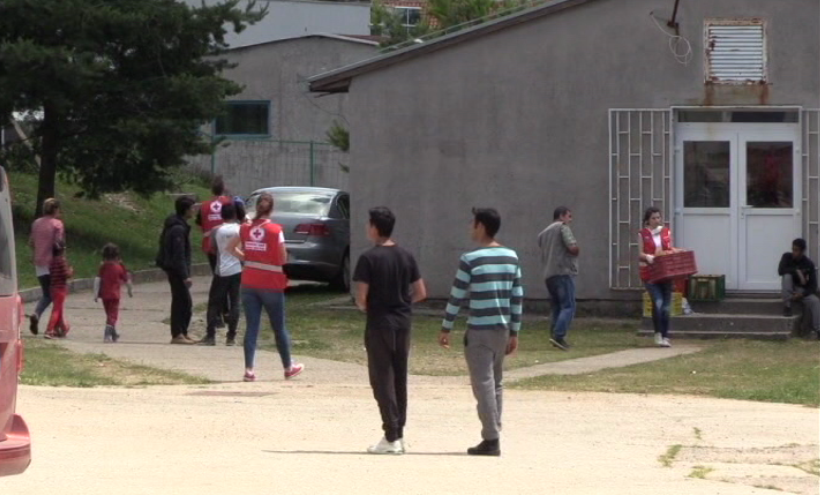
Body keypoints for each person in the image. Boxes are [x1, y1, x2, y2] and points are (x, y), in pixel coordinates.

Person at [439, 208, 523, 457]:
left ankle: (491, 437)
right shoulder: (511, 257)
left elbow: (457, 295)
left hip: (479, 329)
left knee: (483, 383)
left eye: (472, 223)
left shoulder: (470, 259)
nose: (470, 228)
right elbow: (517, 296)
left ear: (482, 226)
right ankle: (494, 430)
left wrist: (446, 326)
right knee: (496, 382)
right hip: (502, 329)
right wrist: (515, 331)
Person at [353, 207, 427, 455]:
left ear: (375, 227)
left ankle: (391, 434)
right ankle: (399, 433)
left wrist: (369, 306)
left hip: (380, 323)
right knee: (399, 377)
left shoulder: (368, 258)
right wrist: (403, 303)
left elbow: (361, 298)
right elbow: (421, 292)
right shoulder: (406, 256)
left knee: (381, 378)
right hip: (403, 322)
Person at [228, 192, 304, 382]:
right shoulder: (275, 230)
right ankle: (288, 367)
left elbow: (230, 248)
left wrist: (247, 258)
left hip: (249, 280)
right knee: (278, 327)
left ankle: (249, 370)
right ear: (271, 209)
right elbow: (282, 257)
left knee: (251, 326)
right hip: (271, 282)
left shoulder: (245, 228)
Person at [199, 202, 242, 346]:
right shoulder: (241, 229)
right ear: (235, 215)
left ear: (221, 215)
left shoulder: (216, 230)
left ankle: (210, 335)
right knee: (235, 302)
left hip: (221, 269)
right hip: (237, 269)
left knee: (214, 302)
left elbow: (212, 248)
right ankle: (231, 337)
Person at [537, 206, 579, 351]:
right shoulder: (562, 228)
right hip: (563, 271)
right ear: (561, 216)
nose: (570, 220)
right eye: (569, 216)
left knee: (556, 306)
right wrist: (576, 250)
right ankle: (559, 336)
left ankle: (553, 334)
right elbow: (572, 247)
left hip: (549, 274)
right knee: (568, 305)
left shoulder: (543, 234)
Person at [638, 207, 680, 348]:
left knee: (666, 307)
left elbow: (669, 249)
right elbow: (640, 254)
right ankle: (658, 333)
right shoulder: (643, 234)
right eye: (653, 218)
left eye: (658, 217)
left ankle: (665, 336)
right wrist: (648, 257)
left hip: (665, 272)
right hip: (650, 273)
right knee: (658, 302)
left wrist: (673, 252)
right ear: (648, 220)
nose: (657, 220)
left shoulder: (665, 232)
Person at [157, 195, 196, 345]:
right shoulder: (178, 229)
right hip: (176, 270)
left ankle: (183, 332)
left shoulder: (180, 226)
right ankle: (177, 333)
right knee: (182, 301)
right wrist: (185, 275)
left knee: (185, 302)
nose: (194, 210)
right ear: (185, 210)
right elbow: (179, 254)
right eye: (192, 208)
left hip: (177, 269)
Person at [196, 177, 233, 328]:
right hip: (228, 245)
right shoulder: (229, 203)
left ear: (211, 190)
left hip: (210, 245)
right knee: (228, 280)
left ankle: (219, 314)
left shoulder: (204, 206)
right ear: (223, 188)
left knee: (218, 278)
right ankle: (226, 312)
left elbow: (199, 223)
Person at [28, 198, 65, 335]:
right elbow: (58, 244)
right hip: (53, 264)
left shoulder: (36, 223)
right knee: (57, 296)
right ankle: (55, 327)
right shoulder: (57, 224)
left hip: (39, 263)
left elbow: (31, 242)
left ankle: (38, 315)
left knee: (47, 294)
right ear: (55, 209)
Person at [778, 238, 820, 337]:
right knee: (787, 276)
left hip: (800, 290)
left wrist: (802, 294)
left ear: (802, 251)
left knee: (815, 301)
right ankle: (787, 306)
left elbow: (813, 286)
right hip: (789, 288)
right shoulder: (787, 257)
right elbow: (781, 271)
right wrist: (797, 271)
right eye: (793, 249)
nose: (794, 252)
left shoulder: (808, 263)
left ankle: (818, 329)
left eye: (796, 250)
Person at [93, 243, 133, 343]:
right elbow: (127, 279)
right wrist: (130, 291)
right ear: (117, 256)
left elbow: (97, 280)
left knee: (109, 314)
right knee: (113, 315)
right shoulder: (119, 267)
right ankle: (107, 334)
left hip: (104, 295)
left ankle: (114, 334)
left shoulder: (103, 267)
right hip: (115, 295)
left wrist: (95, 294)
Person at [45, 241, 72, 339]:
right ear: (62, 250)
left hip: (53, 288)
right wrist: (71, 271)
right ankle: (49, 330)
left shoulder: (51, 262)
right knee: (56, 310)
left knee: (59, 309)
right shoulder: (62, 261)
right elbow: (66, 274)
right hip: (60, 288)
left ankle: (60, 329)